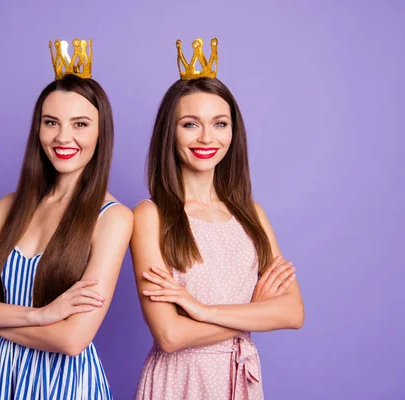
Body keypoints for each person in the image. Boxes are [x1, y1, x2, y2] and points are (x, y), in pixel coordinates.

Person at [0, 38, 132, 400]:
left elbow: (73, 339)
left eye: (80, 124)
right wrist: (41, 316)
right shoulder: (9, 207)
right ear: (38, 129)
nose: (64, 137)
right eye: (51, 122)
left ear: (100, 132)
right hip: (2, 377)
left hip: (66, 385)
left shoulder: (113, 218)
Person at [132, 38, 304, 400]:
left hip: (237, 378)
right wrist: (255, 312)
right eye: (191, 124)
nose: (207, 137)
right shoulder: (151, 216)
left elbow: (292, 312)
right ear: (170, 132)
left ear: (233, 131)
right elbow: (170, 335)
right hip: (180, 380)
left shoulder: (251, 215)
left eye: (220, 123)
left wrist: (201, 310)